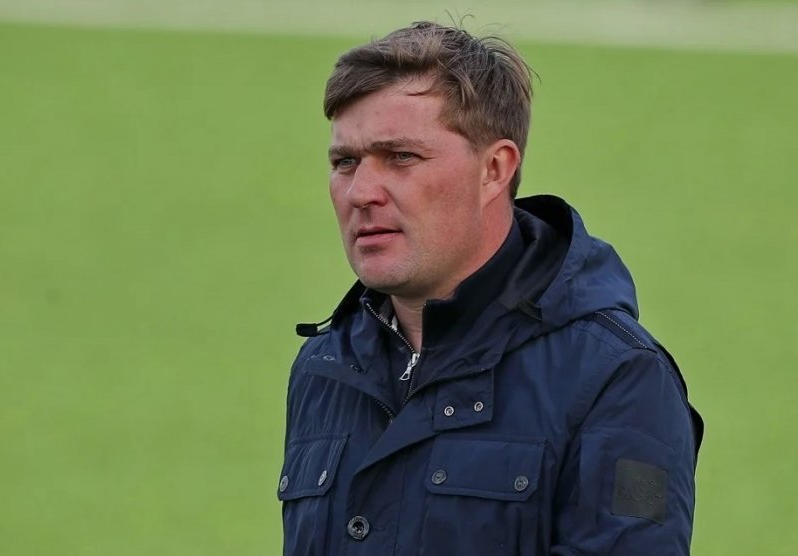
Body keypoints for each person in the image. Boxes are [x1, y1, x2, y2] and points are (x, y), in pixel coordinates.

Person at [278, 21, 703, 556]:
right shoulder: (323, 367)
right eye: (345, 162)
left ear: (495, 169)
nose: (361, 192)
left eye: (401, 157)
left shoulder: (619, 378)